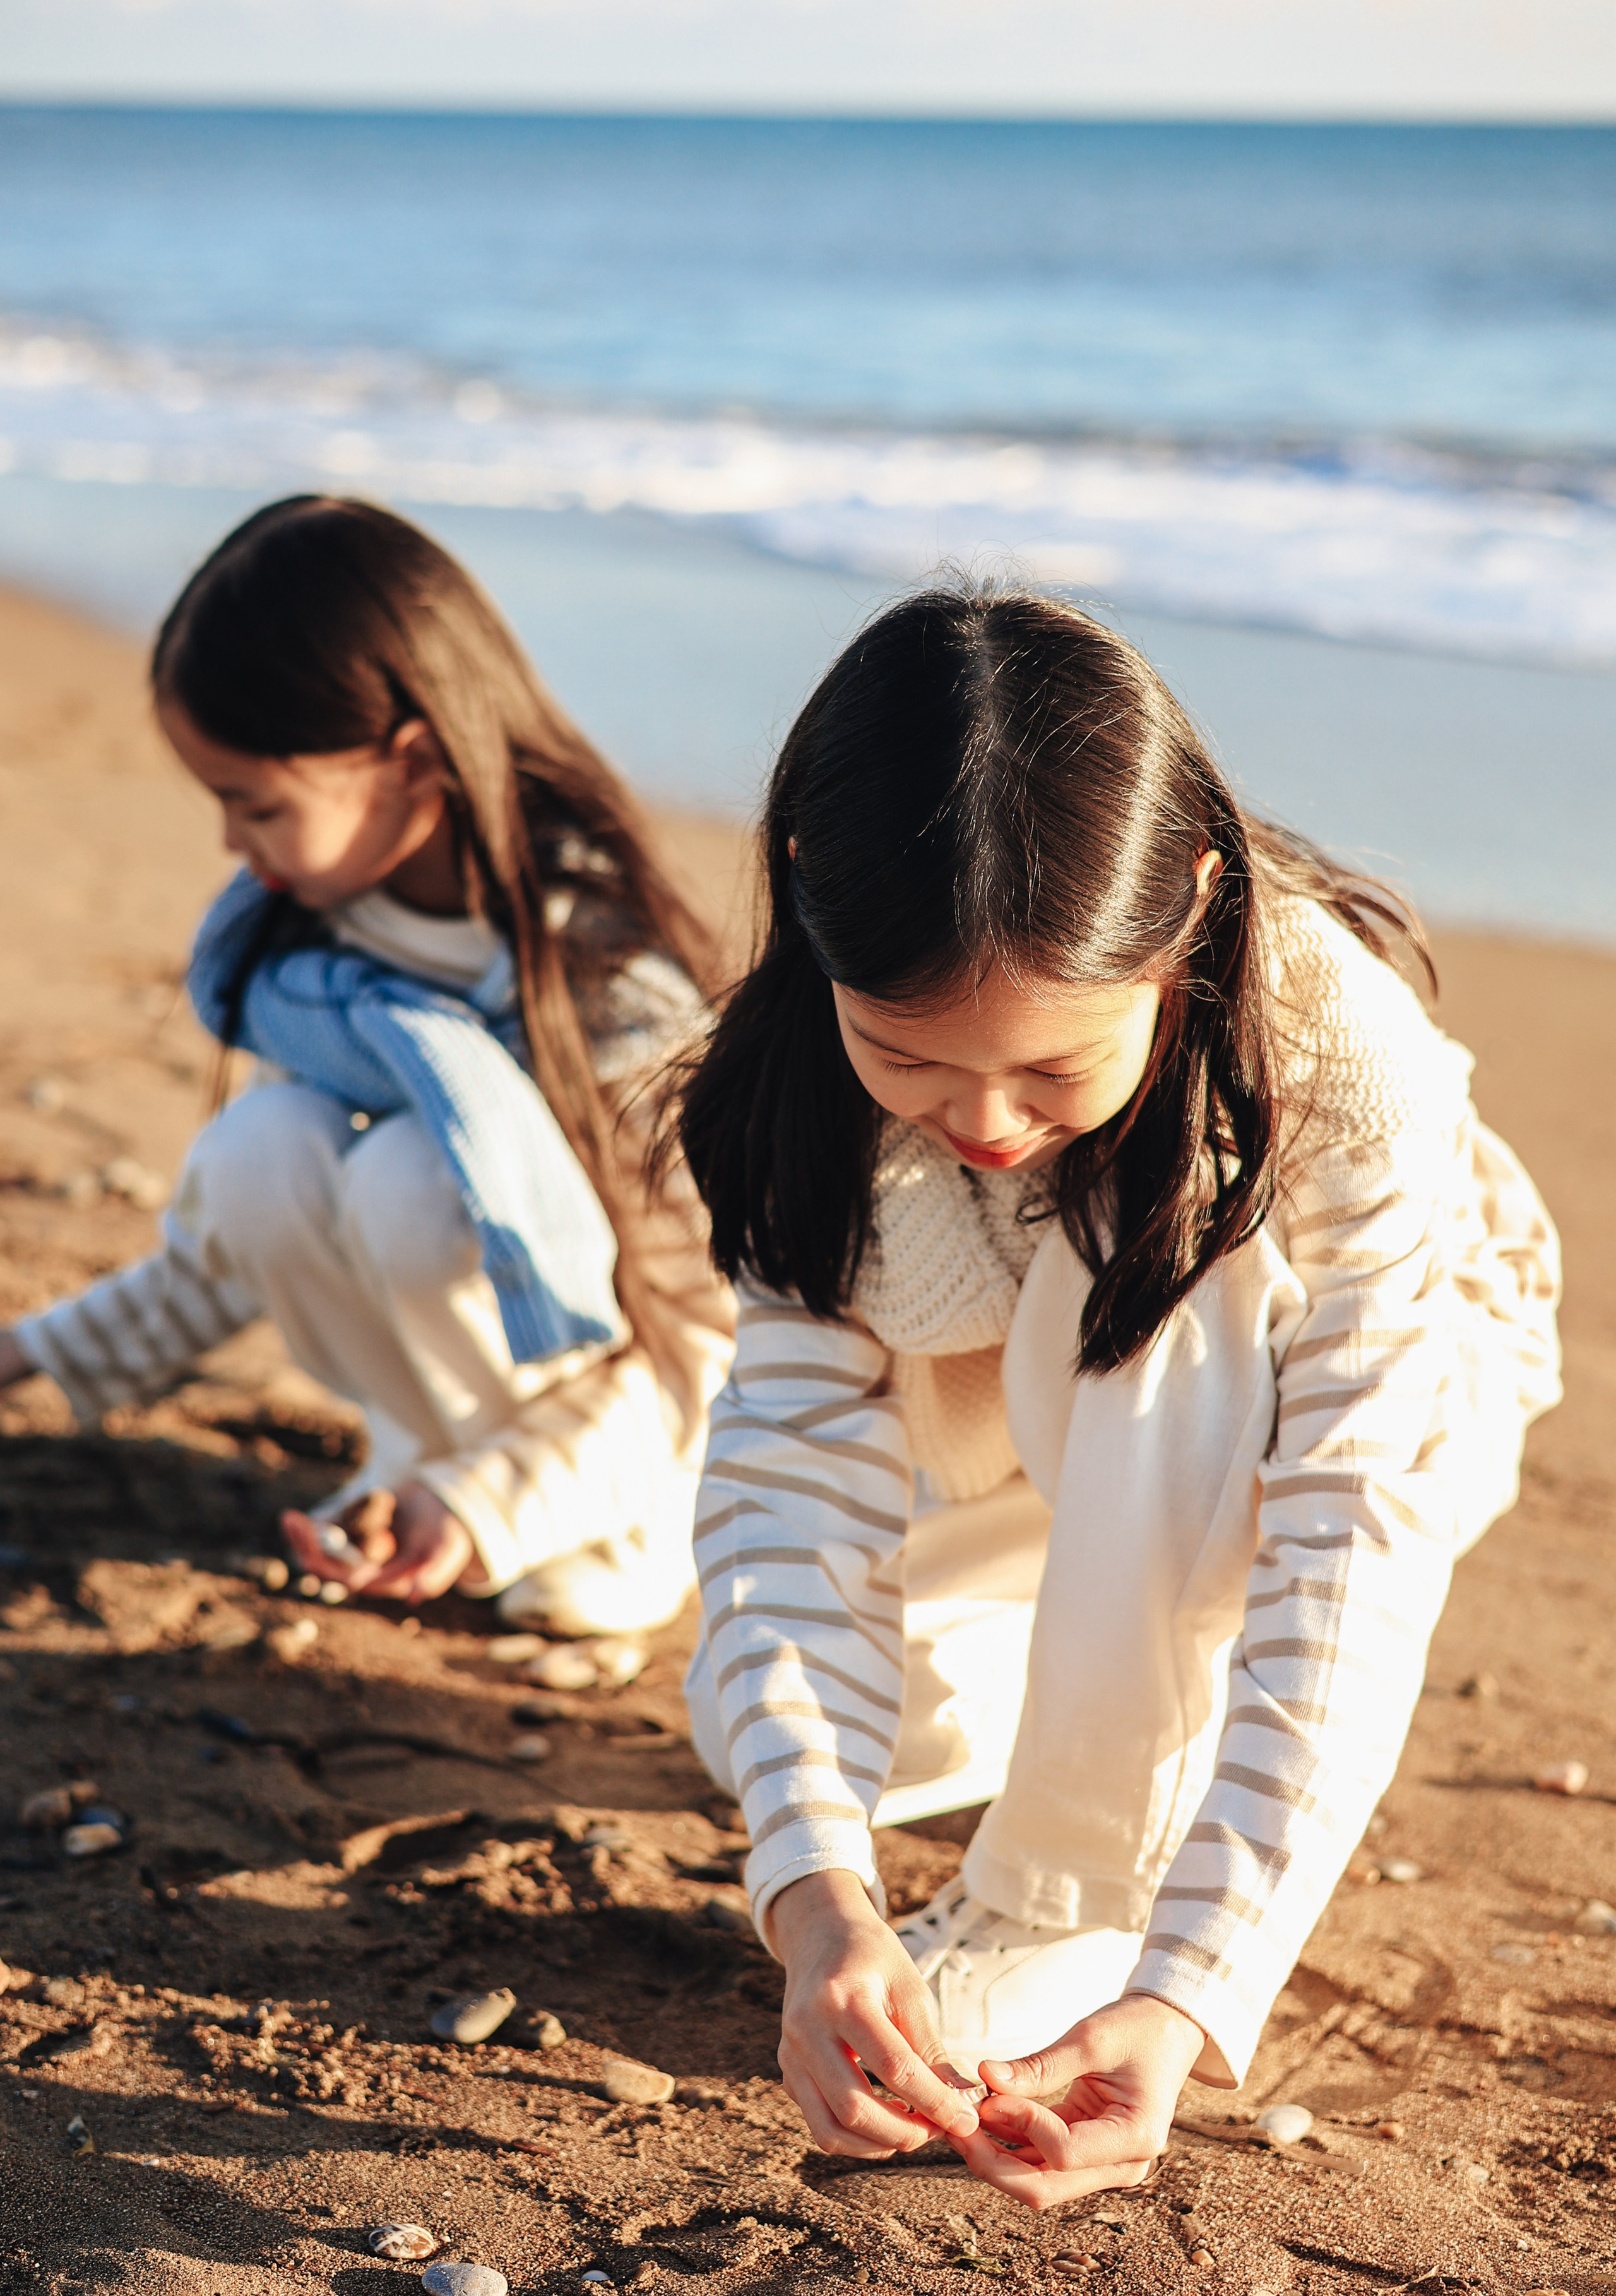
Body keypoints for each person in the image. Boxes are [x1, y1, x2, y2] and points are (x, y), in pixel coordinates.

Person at [677, 585, 1560, 2207]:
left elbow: (1345, 1544)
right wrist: (815, 1897)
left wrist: (1186, 1986)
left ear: (1190, 911)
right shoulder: (794, 1082)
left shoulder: (1334, 1077)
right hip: (1014, 1449)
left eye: (1050, 1067)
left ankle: (1071, 1889)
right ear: (805, 894)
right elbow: (787, 1492)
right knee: (793, 1735)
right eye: (911, 1058)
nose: (983, 1121)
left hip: (1286, 1400)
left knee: (1160, 1267)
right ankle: (1080, 1685)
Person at [0, 496, 733, 1636]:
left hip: (634, 1454)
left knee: (409, 1178)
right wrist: (33, 1355)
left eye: (256, 805)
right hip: (440, 1452)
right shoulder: (329, 963)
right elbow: (237, 1238)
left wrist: (488, 1501)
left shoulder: (604, 987)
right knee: (262, 1145)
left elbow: (706, 1351)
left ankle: (573, 1534)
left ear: (414, 764)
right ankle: (416, 1485)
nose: (231, 847)